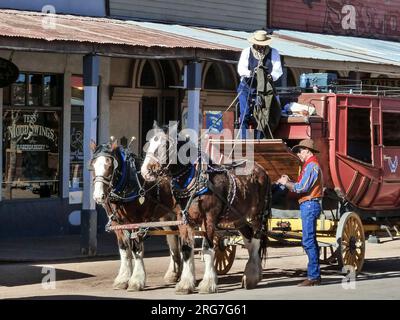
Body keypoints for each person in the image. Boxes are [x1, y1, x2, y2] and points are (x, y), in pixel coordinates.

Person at [277, 139, 323, 286]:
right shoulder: (310, 166)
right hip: (309, 205)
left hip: (309, 205)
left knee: (308, 241)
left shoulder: (312, 166)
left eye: (300, 151)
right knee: (310, 241)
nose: (299, 154)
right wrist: (289, 181)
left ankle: (313, 276)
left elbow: (301, 188)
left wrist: (286, 183)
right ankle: (314, 275)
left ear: (307, 151)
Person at [237, 30, 283, 139]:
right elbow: (241, 69)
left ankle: (260, 139)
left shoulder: (274, 52)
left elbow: (278, 71)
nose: (261, 47)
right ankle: (243, 139)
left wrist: (270, 76)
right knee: (245, 114)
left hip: (265, 89)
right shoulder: (246, 52)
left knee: (264, 115)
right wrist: (251, 73)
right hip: (247, 87)